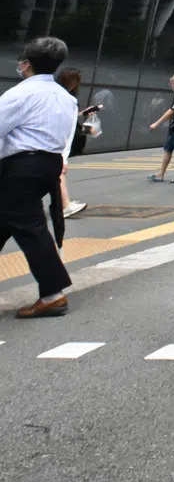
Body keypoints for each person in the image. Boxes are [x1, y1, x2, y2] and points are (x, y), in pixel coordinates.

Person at [1, 38, 78, 318]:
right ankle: (52, 292)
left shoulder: (20, 94)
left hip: (22, 165)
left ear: (26, 64)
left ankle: (53, 294)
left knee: (30, 227)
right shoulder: (66, 98)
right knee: (10, 220)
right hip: (49, 164)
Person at [54, 66, 98, 219]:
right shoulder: (68, 100)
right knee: (57, 174)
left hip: (50, 145)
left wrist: (82, 114)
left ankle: (65, 204)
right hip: (56, 146)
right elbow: (69, 128)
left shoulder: (55, 95)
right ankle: (65, 205)